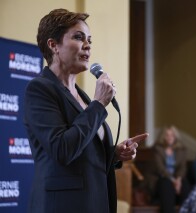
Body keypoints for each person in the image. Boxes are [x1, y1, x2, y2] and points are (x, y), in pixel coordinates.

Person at [24, 9, 148, 213]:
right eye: (78, 37)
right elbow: (62, 149)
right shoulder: (40, 89)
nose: (88, 45)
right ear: (53, 45)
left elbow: (83, 147)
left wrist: (115, 153)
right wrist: (98, 104)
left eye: (89, 39)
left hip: (96, 201)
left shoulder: (83, 96)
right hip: (63, 206)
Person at [149, 126, 190, 213]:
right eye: (167, 135)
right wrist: (173, 181)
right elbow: (160, 169)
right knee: (166, 184)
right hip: (161, 179)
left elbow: (182, 167)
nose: (170, 137)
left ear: (176, 136)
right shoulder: (157, 149)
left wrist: (178, 180)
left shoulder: (182, 149)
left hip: (176, 179)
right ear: (163, 137)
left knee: (185, 184)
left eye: (172, 135)